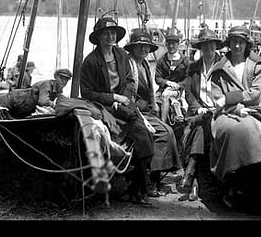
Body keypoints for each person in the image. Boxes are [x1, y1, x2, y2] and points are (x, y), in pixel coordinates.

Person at [79, 16, 155, 205]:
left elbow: (130, 80)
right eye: (106, 33)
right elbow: (87, 92)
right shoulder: (90, 62)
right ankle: (141, 187)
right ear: (98, 37)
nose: (110, 36)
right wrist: (112, 98)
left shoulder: (121, 55)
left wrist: (123, 98)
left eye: (113, 33)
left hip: (123, 103)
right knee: (136, 134)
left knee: (143, 133)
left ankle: (140, 186)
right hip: (103, 106)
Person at [207, 25, 261, 208]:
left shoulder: (256, 66)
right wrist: (233, 107)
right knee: (232, 130)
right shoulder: (220, 68)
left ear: (246, 44)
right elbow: (217, 98)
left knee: (249, 128)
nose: (237, 46)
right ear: (229, 43)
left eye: (241, 42)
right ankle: (230, 182)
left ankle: (243, 183)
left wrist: (229, 98)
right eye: (234, 42)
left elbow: (256, 94)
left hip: (252, 110)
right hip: (225, 113)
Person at [124, 28, 182, 197]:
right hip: (134, 110)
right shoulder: (129, 65)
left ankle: (155, 177)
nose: (144, 50)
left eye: (146, 47)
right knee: (162, 133)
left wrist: (153, 106)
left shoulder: (143, 64)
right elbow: (126, 92)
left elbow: (150, 90)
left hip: (147, 110)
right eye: (140, 46)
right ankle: (148, 181)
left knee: (168, 131)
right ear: (132, 48)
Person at [182, 28, 223, 201]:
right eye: (204, 45)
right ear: (200, 48)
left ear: (216, 46)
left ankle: (191, 173)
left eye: (211, 44)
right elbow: (189, 92)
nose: (208, 48)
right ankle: (196, 184)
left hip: (218, 110)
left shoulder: (223, 66)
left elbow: (230, 90)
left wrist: (217, 107)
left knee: (200, 126)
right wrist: (197, 107)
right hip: (199, 111)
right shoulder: (193, 67)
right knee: (200, 127)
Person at [0, 68, 73, 117]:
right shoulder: (47, 84)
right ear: (56, 77)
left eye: (66, 80)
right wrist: (54, 105)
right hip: (16, 99)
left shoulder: (58, 89)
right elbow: (42, 101)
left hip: (23, 105)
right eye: (62, 78)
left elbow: (59, 98)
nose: (64, 81)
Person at [155, 27, 190, 126]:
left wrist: (178, 85)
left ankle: (163, 123)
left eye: (173, 44)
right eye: (169, 44)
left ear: (178, 45)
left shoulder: (185, 61)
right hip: (163, 88)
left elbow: (188, 79)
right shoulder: (162, 60)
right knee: (153, 101)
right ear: (166, 44)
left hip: (179, 90)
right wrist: (168, 82)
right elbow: (157, 78)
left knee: (166, 95)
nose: (171, 46)